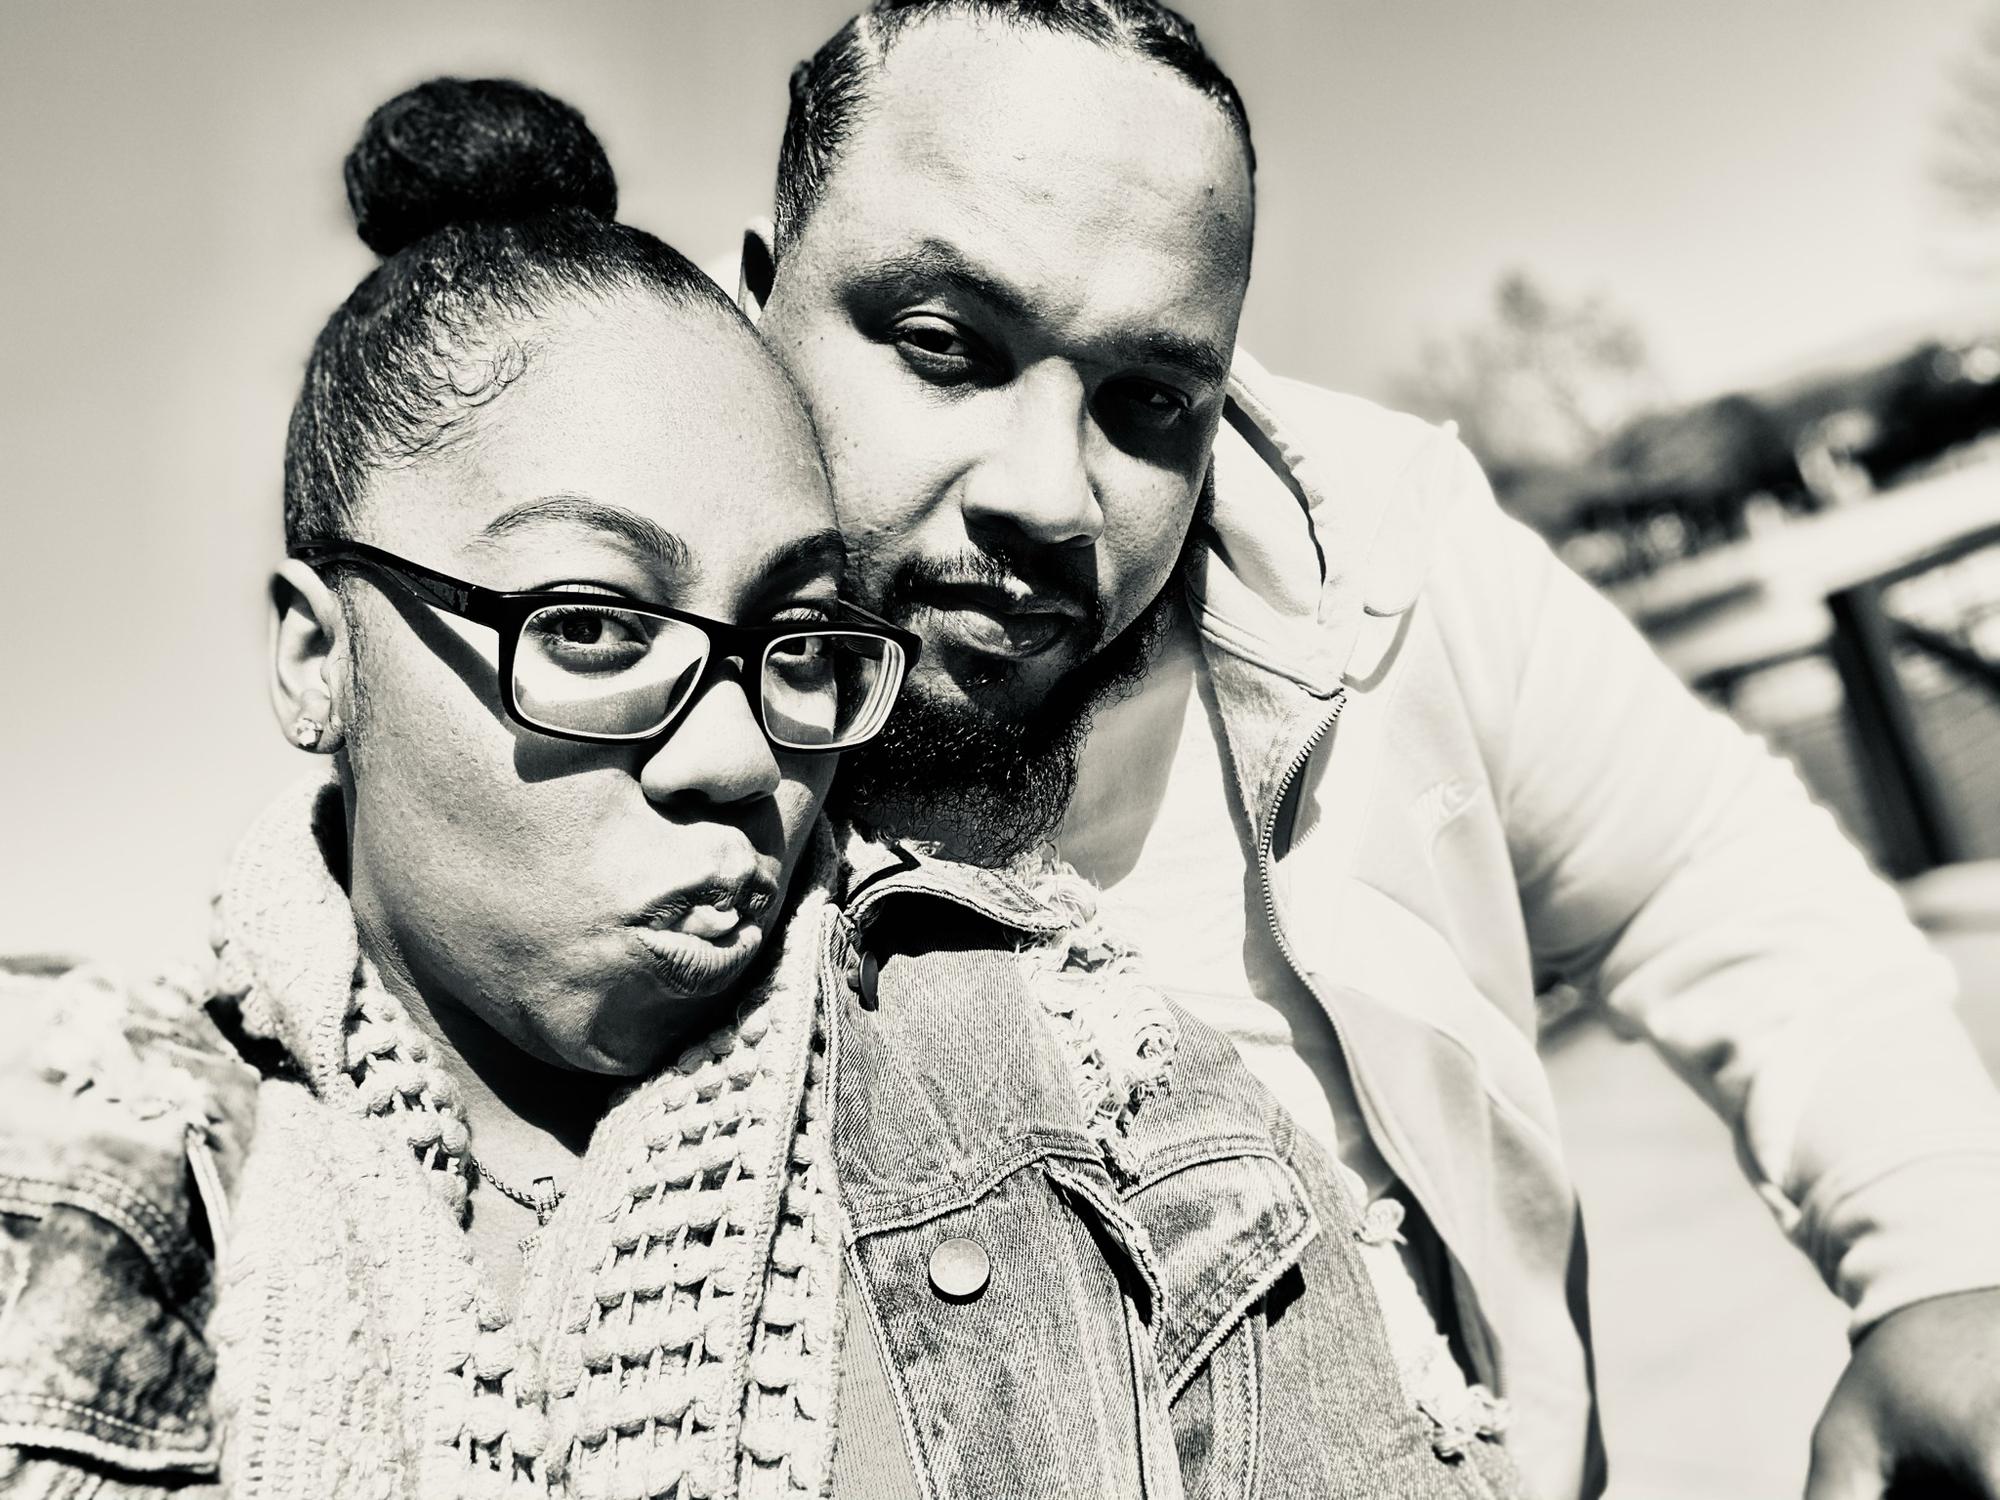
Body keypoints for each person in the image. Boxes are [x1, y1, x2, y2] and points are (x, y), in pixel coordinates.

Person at [0, 76, 1528, 1500]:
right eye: (593, 628)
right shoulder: (79, 1174)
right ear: (316, 657)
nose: (740, 759)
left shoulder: (1114, 1121)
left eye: (797, 646)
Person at [735, 3, 2000, 1496]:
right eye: (946, 347)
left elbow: (1704, 869)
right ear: (758, 302)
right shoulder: (564, 713)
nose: (1050, 495)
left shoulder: (1376, 552)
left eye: (1151, 402)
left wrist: (1941, 1262)